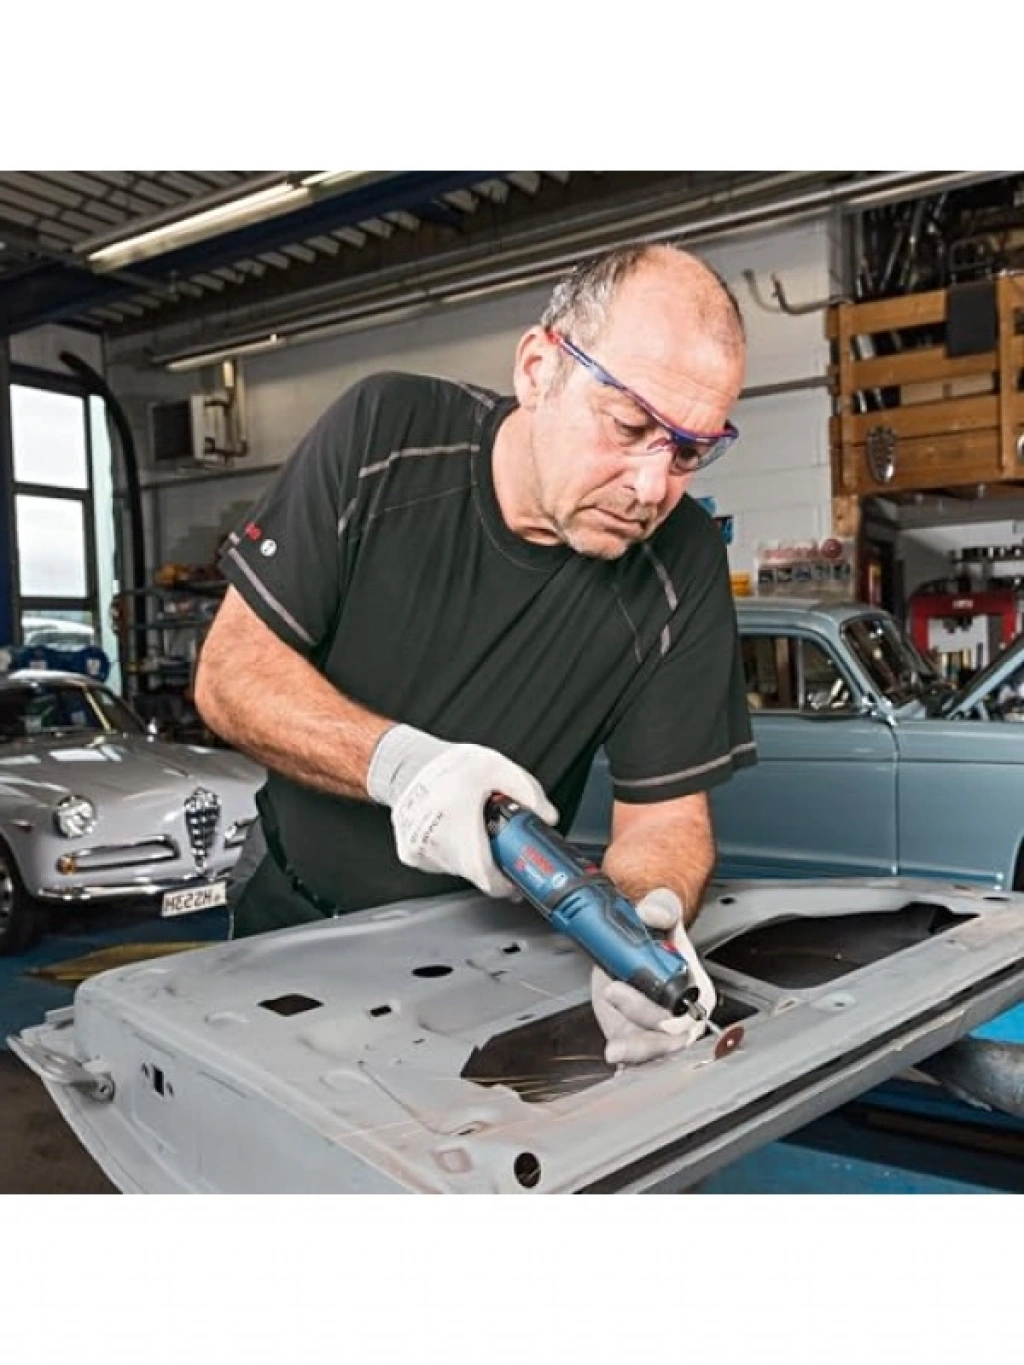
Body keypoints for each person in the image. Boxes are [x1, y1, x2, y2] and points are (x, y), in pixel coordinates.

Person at [195, 240, 756, 1066]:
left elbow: (666, 817)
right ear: (538, 368)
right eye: (630, 426)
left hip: (481, 956)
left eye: (688, 452)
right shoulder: (384, 435)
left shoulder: (685, 560)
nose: (651, 488)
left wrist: (645, 926)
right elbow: (230, 674)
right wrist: (405, 768)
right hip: (287, 908)